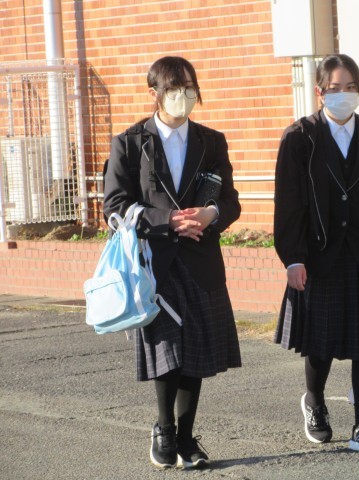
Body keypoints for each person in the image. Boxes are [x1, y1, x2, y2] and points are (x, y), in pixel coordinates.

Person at [103, 56, 241, 469]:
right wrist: (167, 220)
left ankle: (186, 437)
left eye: (190, 88)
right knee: (167, 349)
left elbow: (230, 201)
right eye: (175, 88)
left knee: (194, 352)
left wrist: (210, 215)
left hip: (200, 260)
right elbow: (115, 206)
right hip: (154, 263)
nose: (184, 95)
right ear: (155, 94)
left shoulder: (211, 141)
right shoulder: (130, 143)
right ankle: (164, 429)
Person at [273, 54, 359, 454]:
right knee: (322, 342)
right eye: (334, 88)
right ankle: (314, 402)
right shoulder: (300, 138)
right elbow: (289, 203)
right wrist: (293, 258)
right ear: (319, 92)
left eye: (350, 87)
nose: (343, 95)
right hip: (320, 255)